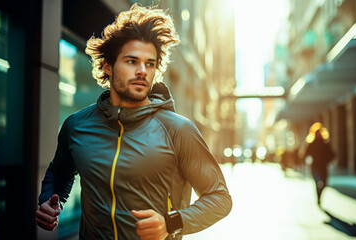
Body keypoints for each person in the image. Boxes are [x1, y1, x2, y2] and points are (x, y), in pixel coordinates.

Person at [35, 4, 232, 240]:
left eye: (150, 64)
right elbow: (60, 171)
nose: (142, 71)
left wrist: (171, 223)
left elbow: (219, 197)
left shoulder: (178, 130)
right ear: (107, 66)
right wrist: (49, 201)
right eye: (132, 61)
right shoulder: (77, 125)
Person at [304, 125, 334, 206]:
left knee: (324, 183)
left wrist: (327, 161)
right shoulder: (312, 144)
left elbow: (332, 154)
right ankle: (318, 198)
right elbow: (305, 154)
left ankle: (319, 196)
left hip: (323, 166)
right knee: (317, 182)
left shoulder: (325, 143)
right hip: (315, 166)